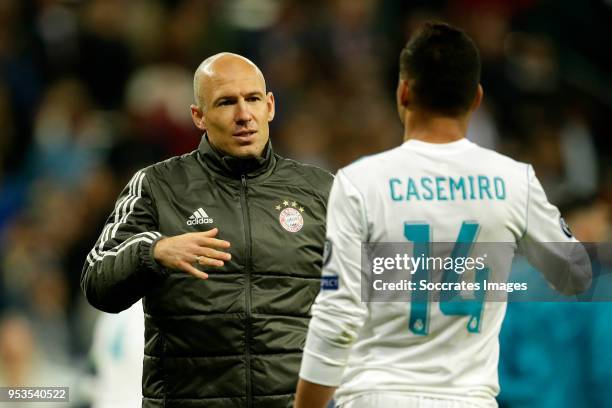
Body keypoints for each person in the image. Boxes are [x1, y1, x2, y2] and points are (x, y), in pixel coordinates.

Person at [294, 22, 591, 408]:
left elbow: (337, 313)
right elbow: (576, 275)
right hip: (469, 399)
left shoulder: (359, 181)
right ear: (477, 98)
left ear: (403, 92)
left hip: (377, 396)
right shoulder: (514, 180)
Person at [81, 52, 333, 407]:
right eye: (226, 102)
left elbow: (376, 289)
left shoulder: (321, 190)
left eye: (253, 99)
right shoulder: (158, 186)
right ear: (198, 116)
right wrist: (153, 251)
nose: (244, 115)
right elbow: (96, 281)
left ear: (270, 106)